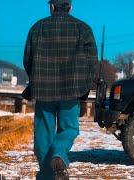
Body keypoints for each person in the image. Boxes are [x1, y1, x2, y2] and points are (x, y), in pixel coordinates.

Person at [22, 0, 98, 179]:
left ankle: (47, 176)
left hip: (43, 90)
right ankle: (59, 154)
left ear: (51, 7)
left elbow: (27, 60)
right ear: (70, 7)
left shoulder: (37, 28)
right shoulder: (83, 29)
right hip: (71, 90)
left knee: (43, 135)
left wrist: (37, 79)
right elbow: (92, 63)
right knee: (69, 128)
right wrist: (84, 86)